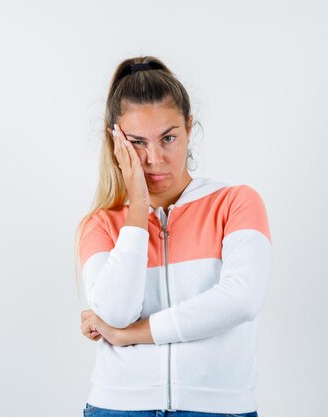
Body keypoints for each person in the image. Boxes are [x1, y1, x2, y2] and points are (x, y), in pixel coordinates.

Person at [73, 56, 273, 417]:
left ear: (189, 128)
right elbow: (115, 313)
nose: (154, 159)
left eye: (168, 138)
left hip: (218, 410)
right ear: (115, 141)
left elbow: (241, 299)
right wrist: (137, 210)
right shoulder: (101, 224)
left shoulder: (236, 203)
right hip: (118, 409)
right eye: (136, 142)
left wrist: (134, 334)